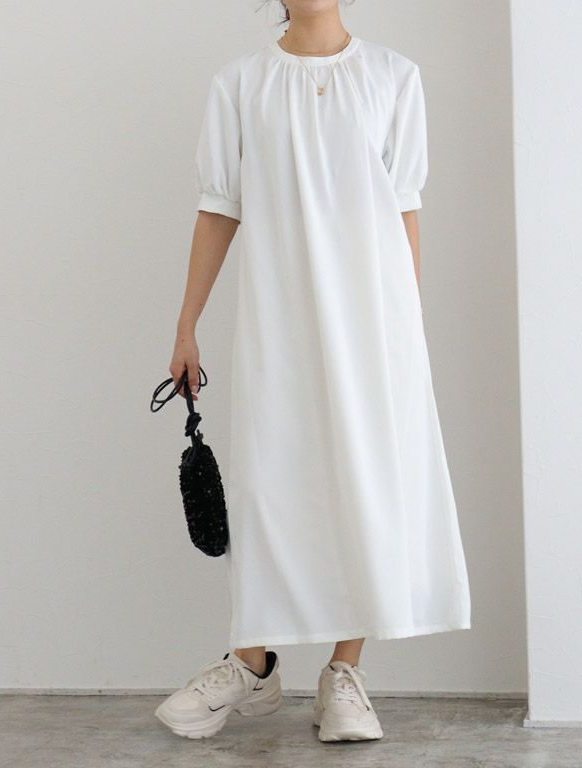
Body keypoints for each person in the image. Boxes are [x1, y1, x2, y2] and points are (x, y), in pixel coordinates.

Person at [155, 0, 471, 743]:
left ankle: (344, 673)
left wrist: (407, 327)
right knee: (274, 481)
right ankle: (254, 661)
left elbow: (404, 206)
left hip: (373, 321)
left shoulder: (393, 76)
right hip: (280, 316)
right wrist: (186, 324)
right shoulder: (241, 83)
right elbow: (218, 206)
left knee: (364, 479)